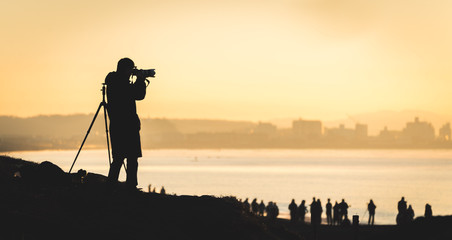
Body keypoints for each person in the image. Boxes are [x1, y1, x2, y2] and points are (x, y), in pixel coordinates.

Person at [106, 58, 150, 191]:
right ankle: (129, 186)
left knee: (121, 158)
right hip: (126, 126)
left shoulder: (114, 81)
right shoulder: (119, 83)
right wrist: (141, 79)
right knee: (128, 158)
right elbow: (137, 94)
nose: (132, 71)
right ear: (125, 69)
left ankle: (112, 185)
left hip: (119, 126)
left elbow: (136, 94)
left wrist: (139, 79)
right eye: (131, 69)